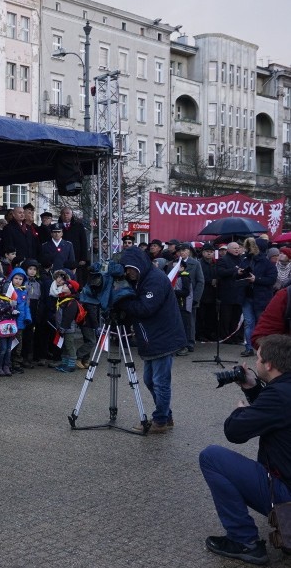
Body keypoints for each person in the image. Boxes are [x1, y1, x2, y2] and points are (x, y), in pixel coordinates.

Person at [199, 334, 291, 566]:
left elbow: (235, 433)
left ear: (269, 365)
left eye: (258, 358)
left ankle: (244, 541)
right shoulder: (283, 391)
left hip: (286, 496)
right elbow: (275, 415)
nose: (256, 362)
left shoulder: (279, 396)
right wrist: (252, 389)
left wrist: (239, 412)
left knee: (212, 457)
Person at [117, 247, 187, 434]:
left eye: (130, 268)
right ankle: (166, 416)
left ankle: (160, 421)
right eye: (126, 269)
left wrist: (122, 300)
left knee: (159, 381)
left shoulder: (154, 280)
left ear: (139, 265)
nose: (128, 273)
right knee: (150, 380)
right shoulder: (142, 279)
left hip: (162, 336)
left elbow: (146, 308)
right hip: (153, 337)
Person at [239, 238, 277, 358]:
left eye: (252, 246)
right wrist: (239, 273)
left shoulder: (268, 264)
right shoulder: (245, 260)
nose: (249, 249)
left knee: (262, 324)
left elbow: (271, 280)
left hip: (261, 298)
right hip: (247, 296)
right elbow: (238, 275)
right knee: (248, 323)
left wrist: (257, 280)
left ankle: (263, 349)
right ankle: (249, 347)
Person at [216, 241, 246, 345]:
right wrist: (234, 271)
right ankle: (225, 336)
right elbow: (220, 272)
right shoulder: (223, 260)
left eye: (238, 248)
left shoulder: (242, 260)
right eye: (234, 248)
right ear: (228, 249)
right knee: (226, 317)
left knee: (236, 317)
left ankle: (236, 337)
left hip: (239, 292)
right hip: (227, 293)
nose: (237, 250)